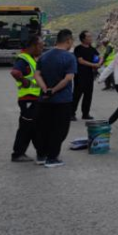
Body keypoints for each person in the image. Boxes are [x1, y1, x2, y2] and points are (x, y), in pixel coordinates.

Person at [35, 29, 77, 168]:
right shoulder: (69, 57)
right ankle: (52, 158)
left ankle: (41, 155)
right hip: (62, 100)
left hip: (44, 99)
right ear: (68, 41)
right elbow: (68, 78)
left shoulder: (44, 56)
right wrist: (54, 90)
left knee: (44, 128)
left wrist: (45, 89)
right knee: (59, 129)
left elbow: (37, 75)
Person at [10, 34, 44, 162]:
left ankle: (41, 151)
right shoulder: (23, 59)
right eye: (41, 46)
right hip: (27, 98)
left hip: (34, 98)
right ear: (34, 45)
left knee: (33, 126)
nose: (42, 48)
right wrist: (24, 81)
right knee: (27, 127)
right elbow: (15, 72)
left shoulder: (31, 58)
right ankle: (18, 154)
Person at [71, 30, 101, 121]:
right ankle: (71, 113)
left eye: (91, 36)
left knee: (88, 95)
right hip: (80, 75)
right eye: (88, 37)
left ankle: (85, 113)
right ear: (83, 39)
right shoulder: (78, 49)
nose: (90, 38)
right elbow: (81, 61)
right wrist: (94, 65)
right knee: (77, 94)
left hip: (89, 75)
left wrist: (99, 63)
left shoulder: (92, 49)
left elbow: (99, 57)